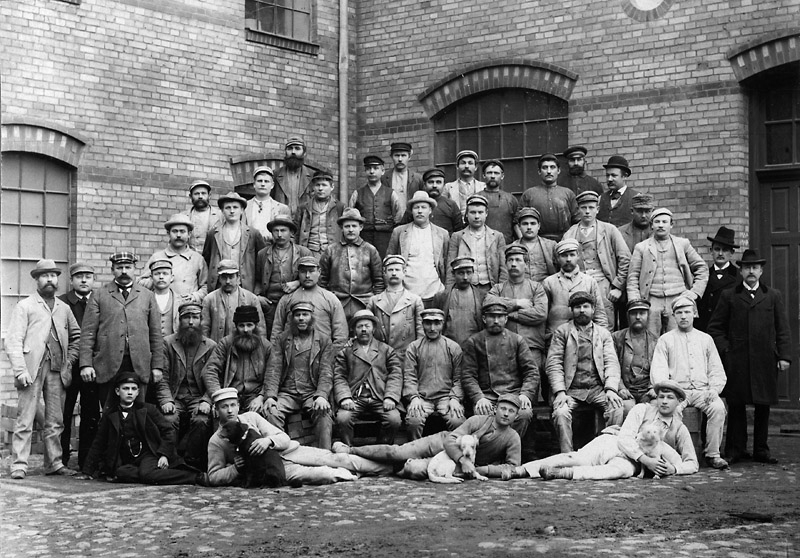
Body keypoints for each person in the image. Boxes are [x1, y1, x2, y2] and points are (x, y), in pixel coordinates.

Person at [510, 381, 697, 480]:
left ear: (679, 402)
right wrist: (646, 460)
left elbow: (692, 464)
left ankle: (562, 474)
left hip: (632, 462)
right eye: (661, 396)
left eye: (670, 398)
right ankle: (522, 470)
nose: (664, 401)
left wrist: (674, 468)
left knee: (616, 471)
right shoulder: (642, 409)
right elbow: (624, 438)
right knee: (576, 458)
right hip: (615, 443)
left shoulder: (680, 429)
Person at [206, 388, 391, 487]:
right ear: (216, 410)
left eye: (233, 405)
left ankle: (391, 467)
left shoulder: (251, 418)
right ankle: (353, 474)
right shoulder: (217, 440)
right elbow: (214, 476)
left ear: (239, 406)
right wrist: (235, 469)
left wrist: (268, 440)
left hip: (291, 452)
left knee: (340, 459)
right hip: (277, 470)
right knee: (325, 474)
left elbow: (283, 438)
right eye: (224, 407)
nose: (229, 410)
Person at [708, 249, 792, 465]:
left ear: (761, 271)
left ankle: (761, 450)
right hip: (738, 361)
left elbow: (782, 329)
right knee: (736, 404)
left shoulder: (772, 296)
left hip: (765, 359)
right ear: (741, 271)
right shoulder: (729, 296)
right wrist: (727, 351)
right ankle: (736, 449)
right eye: (747, 268)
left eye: (755, 268)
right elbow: (715, 328)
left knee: (763, 405)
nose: (751, 271)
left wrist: (784, 356)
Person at [334, 394, 523, 481]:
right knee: (397, 453)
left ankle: (370, 467)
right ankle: (350, 450)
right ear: (496, 409)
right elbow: (451, 440)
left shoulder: (512, 438)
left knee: (414, 469)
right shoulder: (478, 420)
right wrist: (462, 459)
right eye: (503, 409)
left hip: (454, 464)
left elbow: (513, 467)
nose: (506, 414)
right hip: (440, 443)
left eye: (511, 411)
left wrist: (483, 469)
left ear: (516, 416)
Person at [7, 259, 81, 479]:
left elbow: (76, 337)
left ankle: (54, 463)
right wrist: (20, 370)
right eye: (44, 276)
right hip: (31, 369)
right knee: (25, 419)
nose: (50, 279)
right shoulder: (25, 306)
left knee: (55, 420)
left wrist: (69, 362)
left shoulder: (64, 308)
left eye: (53, 275)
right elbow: (13, 340)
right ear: (36, 280)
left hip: (57, 369)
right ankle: (19, 465)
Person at [80, 372, 204, 485]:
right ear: (117, 391)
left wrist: (164, 455)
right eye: (125, 388)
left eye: (133, 389)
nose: (130, 392)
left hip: (148, 454)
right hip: (127, 459)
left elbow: (168, 431)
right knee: (120, 473)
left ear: (138, 392)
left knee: (146, 474)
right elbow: (99, 442)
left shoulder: (148, 409)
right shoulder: (110, 415)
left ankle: (195, 477)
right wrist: (87, 471)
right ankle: (152, 474)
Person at [650, 296, 728, 469]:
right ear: (673, 316)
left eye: (687, 312)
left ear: (695, 313)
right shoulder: (666, 339)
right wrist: (669, 391)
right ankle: (675, 454)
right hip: (677, 391)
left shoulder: (705, 339)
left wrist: (713, 389)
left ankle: (712, 454)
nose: (683, 316)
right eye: (679, 313)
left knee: (717, 408)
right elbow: (659, 370)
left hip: (702, 391)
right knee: (672, 410)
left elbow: (716, 369)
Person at [79, 251, 164, 406]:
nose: (124, 271)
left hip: (138, 364)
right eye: (119, 267)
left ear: (134, 269)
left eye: (128, 267)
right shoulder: (99, 295)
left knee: (138, 410)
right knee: (109, 410)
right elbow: (88, 333)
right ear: (112, 270)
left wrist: (157, 366)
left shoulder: (147, 296)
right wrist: (86, 364)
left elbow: (156, 334)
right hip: (107, 363)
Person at [546, 291, 623, 453]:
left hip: (597, 389)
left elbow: (611, 363)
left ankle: (606, 453)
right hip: (570, 390)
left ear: (593, 309)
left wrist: (610, 389)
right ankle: (567, 456)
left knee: (616, 407)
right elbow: (554, 364)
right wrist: (560, 392)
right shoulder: (562, 332)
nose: (582, 310)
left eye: (586, 306)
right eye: (577, 307)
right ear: (571, 310)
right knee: (561, 413)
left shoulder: (603, 334)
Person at [461, 301, 539, 438]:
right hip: (487, 395)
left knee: (524, 413)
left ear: (506, 318)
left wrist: (525, 394)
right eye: (492, 316)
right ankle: (491, 450)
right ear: (484, 318)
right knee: (482, 413)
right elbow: (468, 375)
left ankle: (511, 446)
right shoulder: (474, 341)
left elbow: (531, 372)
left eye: (500, 316)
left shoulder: (517, 340)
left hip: (513, 393)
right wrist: (479, 397)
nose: (496, 321)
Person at [263, 301, 335, 450]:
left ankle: (324, 455)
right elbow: (274, 369)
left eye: (305, 314)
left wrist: (322, 395)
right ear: (292, 318)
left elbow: (326, 371)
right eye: (297, 315)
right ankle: (281, 454)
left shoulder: (323, 340)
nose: (301, 318)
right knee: (271, 412)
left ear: (312, 317)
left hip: (311, 393)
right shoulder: (282, 339)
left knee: (323, 413)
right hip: (287, 393)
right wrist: (270, 396)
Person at [627, 207, 709, 337]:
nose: (660, 225)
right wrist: (636, 300)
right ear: (651, 225)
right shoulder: (641, 247)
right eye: (657, 222)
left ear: (671, 225)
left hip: (678, 298)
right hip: (651, 300)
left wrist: (694, 292)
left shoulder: (682, 244)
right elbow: (633, 276)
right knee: (650, 337)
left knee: (678, 336)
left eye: (664, 222)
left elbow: (702, 268)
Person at [154, 302, 216, 470]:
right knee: (169, 419)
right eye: (186, 317)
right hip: (175, 396)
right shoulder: (167, 343)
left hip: (198, 397)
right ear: (179, 320)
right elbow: (162, 376)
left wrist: (207, 400)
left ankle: (191, 462)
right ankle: (170, 458)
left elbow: (214, 377)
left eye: (195, 317)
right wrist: (166, 400)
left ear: (201, 320)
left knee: (201, 420)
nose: (190, 322)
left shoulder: (211, 346)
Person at [333, 310, 403, 445]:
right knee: (343, 419)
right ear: (354, 330)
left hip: (379, 396)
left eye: (367, 326)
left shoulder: (386, 350)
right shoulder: (346, 352)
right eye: (360, 326)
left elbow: (395, 374)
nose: (364, 329)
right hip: (355, 397)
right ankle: (348, 449)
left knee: (394, 420)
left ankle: (382, 448)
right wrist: (345, 397)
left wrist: (390, 397)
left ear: (374, 329)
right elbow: (339, 376)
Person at [562, 190, 630, 328]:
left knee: (606, 324)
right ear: (578, 210)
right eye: (583, 208)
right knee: (579, 323)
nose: (587, 211)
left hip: (603, 284)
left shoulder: (609, 230)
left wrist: (617, 286)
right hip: (578, 283)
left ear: (597, 209)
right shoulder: (570, 234)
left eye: (591, 207)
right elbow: (563, 262)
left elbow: (625, 258)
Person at [59, 262, 100, 470]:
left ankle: (86, 461)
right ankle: (61, 460)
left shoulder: (100, 300)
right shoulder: (62, 302)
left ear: (93, 279)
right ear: (72, 280)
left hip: (91, 366)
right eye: (79, 276)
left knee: (90, 413)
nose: (84, 280)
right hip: (69, 365)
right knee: (64, 413)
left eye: (88, 276)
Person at [403, 308, 465, 440]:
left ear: (443, 324)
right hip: (422, 397)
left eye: (437, 323)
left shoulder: (453, 347)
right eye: (428, 323)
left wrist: (455, 398)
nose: (432, 328)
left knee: (457, 420)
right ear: (422, 324)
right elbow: (409, 377)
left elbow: (459, 379)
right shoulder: (414, 347)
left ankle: (453, 450)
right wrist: (414, 397)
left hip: (446, 397)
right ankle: (414, 450)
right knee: (413, 421)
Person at [487, 245, 548, 374]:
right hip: (503, 346)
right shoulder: (498, 289)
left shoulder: (536, 288)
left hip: (531, 346)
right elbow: (488, 303)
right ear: (506, 264)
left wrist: (511, 315)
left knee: (533, 381)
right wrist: (517, 303)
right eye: (510, 260)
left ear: (526, 264)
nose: (513, 264)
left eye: (518, 260)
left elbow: (540, 314)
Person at [270, 256, 349, 351]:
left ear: (319, 272)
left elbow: (341, 335)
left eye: (311, 271)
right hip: (291, 354)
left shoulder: (330, 298)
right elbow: (277, 331)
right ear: (298, 273)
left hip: (322, 354)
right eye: (303, 271)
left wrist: (330, 356)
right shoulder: (286, 299)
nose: (307, 275)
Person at [319, 207, 384, 321]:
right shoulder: (331, 250)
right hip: (337, 302)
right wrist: (328, 301)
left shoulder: (370, 250)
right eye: (347, 226)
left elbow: (379, 281)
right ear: (341, 228)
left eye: (354, 226)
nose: (350, 230)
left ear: (361, 227)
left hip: (364, 303)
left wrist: (374, 301)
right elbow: (322, 280)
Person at [204, 305, 271, 414]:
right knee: (221, 415)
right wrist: (219, 397)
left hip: (255, 396)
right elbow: (210, 370)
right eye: (241, 325)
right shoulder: (226, 343)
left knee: (263, 414)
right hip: (230, 394)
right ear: (236, 327)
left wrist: (261, 396)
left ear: (256, 325)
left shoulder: (266, 346)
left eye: (249, 325)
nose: (245, 330)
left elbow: (271, 376)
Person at [387, 191, 450, 306]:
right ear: (411, 210)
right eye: (416, 207)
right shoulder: (399, 232)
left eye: (423, 207)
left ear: (430, 210)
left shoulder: (442, 234)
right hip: (407, 293)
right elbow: (389, 261)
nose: (420, 211)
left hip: (434, 291)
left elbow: (446, 264)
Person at [202, 191, 268, 293]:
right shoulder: (213, 233)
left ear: (242, 210)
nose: (232, 211)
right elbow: (206, 259)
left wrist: (258, 288)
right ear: (222, 211)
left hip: (244, 286)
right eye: (228, 208)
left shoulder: (253, 233)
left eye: (235, 207)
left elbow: (262, 262)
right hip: (219, 285)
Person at [255, 216, 312, 334]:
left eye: (283, 230)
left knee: (293, 334)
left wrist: (298, 282)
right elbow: (257, 279)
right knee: (271, 334)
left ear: (291, 232)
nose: (279, 234)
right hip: (270, 304)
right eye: (276, 231)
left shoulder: (303, 252)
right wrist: (258, 296)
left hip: (295, 303)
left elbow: (312, 276)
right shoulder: (263, 254)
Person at [542, 239, 608, 338]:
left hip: (584, 337)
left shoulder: (589, 281)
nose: (568, 259)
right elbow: (542, 314)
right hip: (555, 336)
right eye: (564, 255)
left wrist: (601, 338)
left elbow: (599, 314)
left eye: (572, 255)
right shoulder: (549, 282)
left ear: (578, 256)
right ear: (558, 258)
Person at [138, 213, 209, 304]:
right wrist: (157, 278)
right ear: (168, 234)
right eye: (175, 231)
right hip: (162, 307)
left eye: (182, 231)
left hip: (188, 307)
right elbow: (140, 284)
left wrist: (195, 296)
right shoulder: (157, 257)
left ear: (189, 234)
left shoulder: (197, 259)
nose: (178, 235)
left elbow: (206, 286)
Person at [366, 255, 424, 365]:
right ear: (384, 273)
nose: (393, 273)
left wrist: (417, 355)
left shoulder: (415, 300)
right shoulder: (374, 301)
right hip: (380, 357)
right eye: (390, 270)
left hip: (406, 357)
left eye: (397, 270)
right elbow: (368, 329)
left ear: (404, 272)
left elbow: (420, 332)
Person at [446, 194, 507, 294]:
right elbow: (450, 268)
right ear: (466, 214)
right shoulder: (457, 237)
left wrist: (501, 290)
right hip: (465, 289)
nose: (477, 216)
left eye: (480, 212)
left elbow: (504, 268)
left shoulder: (497, 236)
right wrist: (450, 292)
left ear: (486, 213)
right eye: (473, 212)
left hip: (491, 288)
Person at [349, 155, 403, 258]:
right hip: (363, 237)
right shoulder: (357, 193)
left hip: (385, 237)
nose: (372, 171)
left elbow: (398, 216)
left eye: (375, 168)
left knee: (384, 261)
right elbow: (350, 216)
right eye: (368, 168)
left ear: (382, 171)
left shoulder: (391, 193)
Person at [612, 299, 659, 414]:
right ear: (628, 316)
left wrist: (654, 387)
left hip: (647, 391)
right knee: (626, 408)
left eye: (642, 313)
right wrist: (620, 387)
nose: (638, 317)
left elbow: (660, 367)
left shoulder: (656, 340)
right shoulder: (616, 338)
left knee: (655, 408)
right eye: (634, 313)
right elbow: (612, 365)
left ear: (648, 316)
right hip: (627, 389)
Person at [201, 260, 266, 342]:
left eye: (231, 277)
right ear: (219, 278)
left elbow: (260, 328)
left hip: (243, 346)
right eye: (224, 277)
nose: (228, 281)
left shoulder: (251, 298)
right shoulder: (209, 299)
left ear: (238, 277)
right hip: (217, 346)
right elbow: (204, 328)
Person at [520, 153, 579, 241]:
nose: (548, 171)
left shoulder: (568, 193)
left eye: (552, 167)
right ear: (539, 171)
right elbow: (519, 221)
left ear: (558, 171)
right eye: (545, 167)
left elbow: (577, 221)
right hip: (536, 241)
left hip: (564, 240)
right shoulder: (529, 194)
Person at [431, 257, 487, 347]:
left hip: (473, 347)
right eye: (461, 273)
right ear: (453, 274)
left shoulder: (481, 296)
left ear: (473, 273)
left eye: (468, 272)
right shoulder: (441, 297)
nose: (465, 277)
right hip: (448, 346)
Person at [695, 226, 740, 332]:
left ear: (732, 253)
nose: (720, 253)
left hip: (728, 331)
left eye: (725, 250)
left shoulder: (739, 277)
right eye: (717, 249)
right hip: (706, 330)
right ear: (711, 251)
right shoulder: (703, 276)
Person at [294, 170, 345, 260]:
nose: (320, 188)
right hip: (309, 252)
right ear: (313, 187)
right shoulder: (304, 208)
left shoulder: (340, 207)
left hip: (332, 253)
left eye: (324, 185)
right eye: (317, 185)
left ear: (332, 187)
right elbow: (295, 233)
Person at [400, 168, 463, 234]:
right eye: (431, 182)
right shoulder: (416, 205)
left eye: (438, 182)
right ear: (424, 184)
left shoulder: (451, 205)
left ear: (444, 185)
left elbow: (459, 231)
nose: (434, 186)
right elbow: (403, 229)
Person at [508, 207, 558, 282]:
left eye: (533, 223)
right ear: (519, 226)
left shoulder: (551, 246)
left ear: (538, 226)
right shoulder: (512, 248)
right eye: (525, 224)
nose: (529, 227)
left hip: (545, 288)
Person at [244, 166, 291, 240]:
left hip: (272, 245)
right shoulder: (244, 207)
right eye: (259, 181)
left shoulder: (282, 208)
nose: (263, 184)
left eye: (266, 181)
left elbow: (287, 235)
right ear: (254, 184)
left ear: (272, 185)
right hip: (250, 245)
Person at [478, 160, 519, 244]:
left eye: (496, 173)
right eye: (489, 173)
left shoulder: (511, 199)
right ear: (484, 175)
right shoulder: (476, 198)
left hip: (506, 246)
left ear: (502, 176)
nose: (493, 176)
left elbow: (516, 225)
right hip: (481, 245)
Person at [273, 136, 316, 214]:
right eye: (290, 148)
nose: (293, 152)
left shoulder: (313, 176)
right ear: (285, 152)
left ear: (304, 153)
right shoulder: (275, 175)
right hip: (281, 219)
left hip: (304, 219)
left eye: (297, 148)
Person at [597, 155, 640, 227]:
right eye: (607, 175)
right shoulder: (601, 199)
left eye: (614, 175)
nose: (609, 179)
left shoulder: (636, 198)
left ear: (624, 176)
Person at [182, 179, 221, 254]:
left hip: (212, 258)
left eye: (203, 193)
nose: (200, 196)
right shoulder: (183, 217)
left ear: (209, 195)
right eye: (196, 194)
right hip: (189, 257)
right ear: (190, 196)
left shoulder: (220, 216)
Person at [443, 149, 486, 215]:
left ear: (476, 167)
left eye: (470, 163)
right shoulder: (448, 187)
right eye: (463, 163)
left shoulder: (483, 186)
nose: (466, 166)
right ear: (457, 166)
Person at [381, 141, 423, 207]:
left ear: (409, 157)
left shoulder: (418, 179)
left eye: (403, 155)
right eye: (397, 155)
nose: (400, 159)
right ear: (391, 157)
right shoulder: (384, 178)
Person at [148, 259, 182, 337]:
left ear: (172, 277)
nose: (161, 277)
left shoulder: (180, 301)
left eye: (165, 274)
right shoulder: (145, 300)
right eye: (157, 274)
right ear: (151, 277)